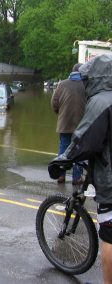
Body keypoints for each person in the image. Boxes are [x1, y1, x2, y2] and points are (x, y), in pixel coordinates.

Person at [49, 54, 112, 283]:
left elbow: (84, 141)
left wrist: (60, 162)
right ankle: (76, 178)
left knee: (109, 234)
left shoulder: (101, 100)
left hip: (109, 179)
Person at [51, 63, 86, 184]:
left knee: (63, 149)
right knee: (79, 150)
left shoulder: (62, 84)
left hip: (64, 123)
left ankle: (61, 175)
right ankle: (77, 178)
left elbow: (54, 102)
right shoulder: (85, 85)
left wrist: (58, 112)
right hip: (81, 125)